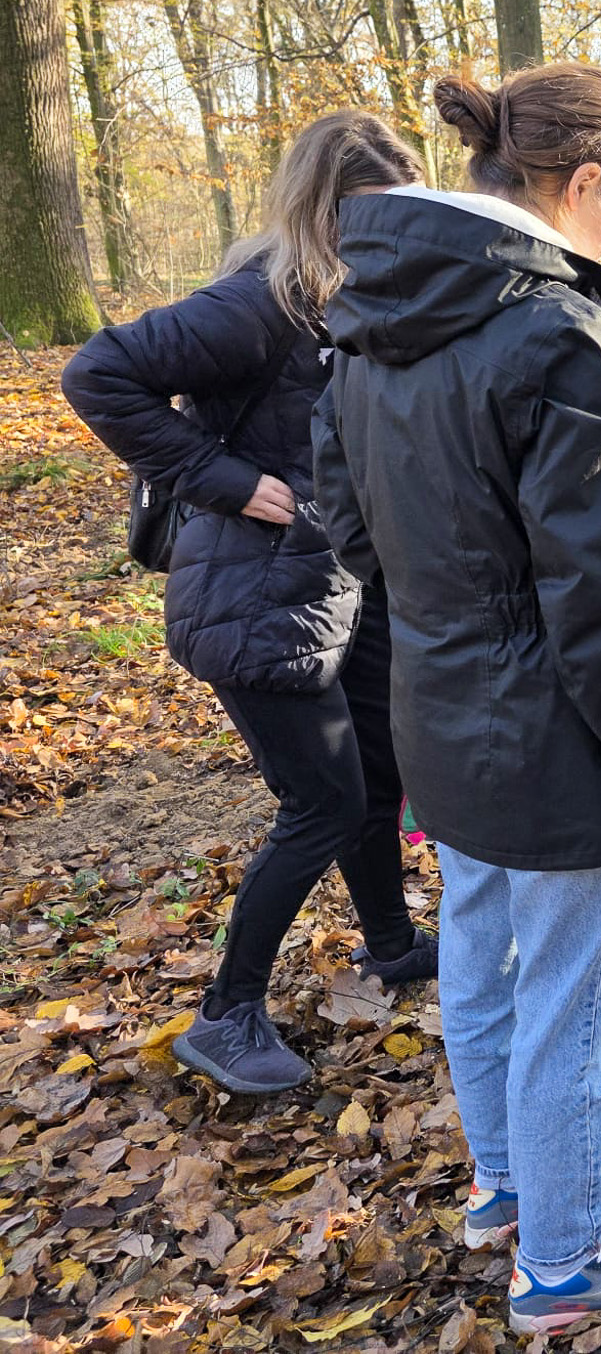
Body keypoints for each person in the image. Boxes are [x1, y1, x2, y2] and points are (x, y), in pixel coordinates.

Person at [313, 63, 601, 1334]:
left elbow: (356, 534)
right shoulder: (552, 333)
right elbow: (596, 597)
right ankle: (562, 1262)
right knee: (570, 1003)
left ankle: (511, 1184)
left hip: (437, 714)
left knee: (484, 969)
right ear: (578, 185)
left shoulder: (373, 312)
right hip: (550, 739)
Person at [62, 111, 433, 1096]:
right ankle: (227, 1014)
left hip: (331, 583)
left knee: (375, 776)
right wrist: (220, 478)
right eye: (372, 216)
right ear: (326, 207)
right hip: (252, 595)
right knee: (320, 803)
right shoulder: (255, 304)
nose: (388, 235)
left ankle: (391, 946)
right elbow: (97, 373)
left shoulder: (340, 303)